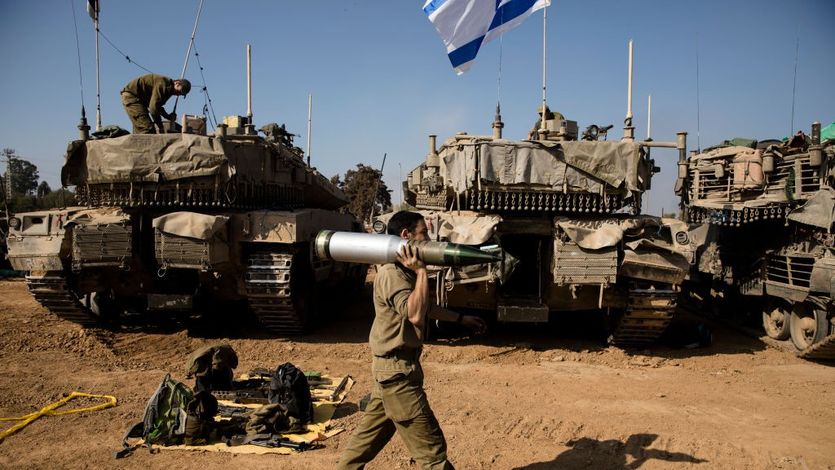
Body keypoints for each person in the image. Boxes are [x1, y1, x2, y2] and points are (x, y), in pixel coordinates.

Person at [337, 211, 487, 470]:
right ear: (406, 236)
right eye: (424, 234)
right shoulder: (392, 274)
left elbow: (425, 306)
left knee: (364, 445)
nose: (429, 240)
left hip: (393, 371)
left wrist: (460, 319)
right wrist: (421, 272)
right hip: (397, 375)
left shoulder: (402, 271)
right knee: (432, 452)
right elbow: (416, 314)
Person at [121, 74, 191, 134]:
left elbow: (157, 106)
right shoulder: (163, 84)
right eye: (180, 92)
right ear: (177, 83)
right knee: (147, 129)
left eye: (181, 94)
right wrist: (160, 127)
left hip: (139, 100)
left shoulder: (169, 90)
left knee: (141, 130)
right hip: (132, 97)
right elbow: (153, 108)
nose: (178, 95)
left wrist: (168, 116)